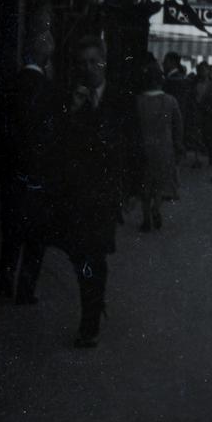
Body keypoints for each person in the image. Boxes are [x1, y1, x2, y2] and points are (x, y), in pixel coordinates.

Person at [54, 34, 133, 348]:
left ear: (104, 62)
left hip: (105, 194)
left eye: (94, 62)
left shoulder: (122, 97)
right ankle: (95, 300)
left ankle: (89, 322)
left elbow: (133, 143)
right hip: (76, 194)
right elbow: (57, 142)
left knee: (94, 254)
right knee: (81, 255)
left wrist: (132, 190)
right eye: (83, 63)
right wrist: (72, 111)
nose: (88, 68)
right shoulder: (71, 98)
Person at [0, 23, 56, 305]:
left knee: (10, 226)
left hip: (11, 172)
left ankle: (5, 278)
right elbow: (54, 137)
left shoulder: (7, 85)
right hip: (38, 174)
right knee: (36, 233)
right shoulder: (49, 91)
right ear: (46, 58)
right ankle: (25, 289)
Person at [132, 61, 183, 231]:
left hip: (143, 148)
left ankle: (146, 218)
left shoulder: (137, 101)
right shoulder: (170, 101)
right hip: (164, 148)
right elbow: (178, 126)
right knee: (159, 184)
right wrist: (178, 144)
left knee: (145, 184)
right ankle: (157, 208)